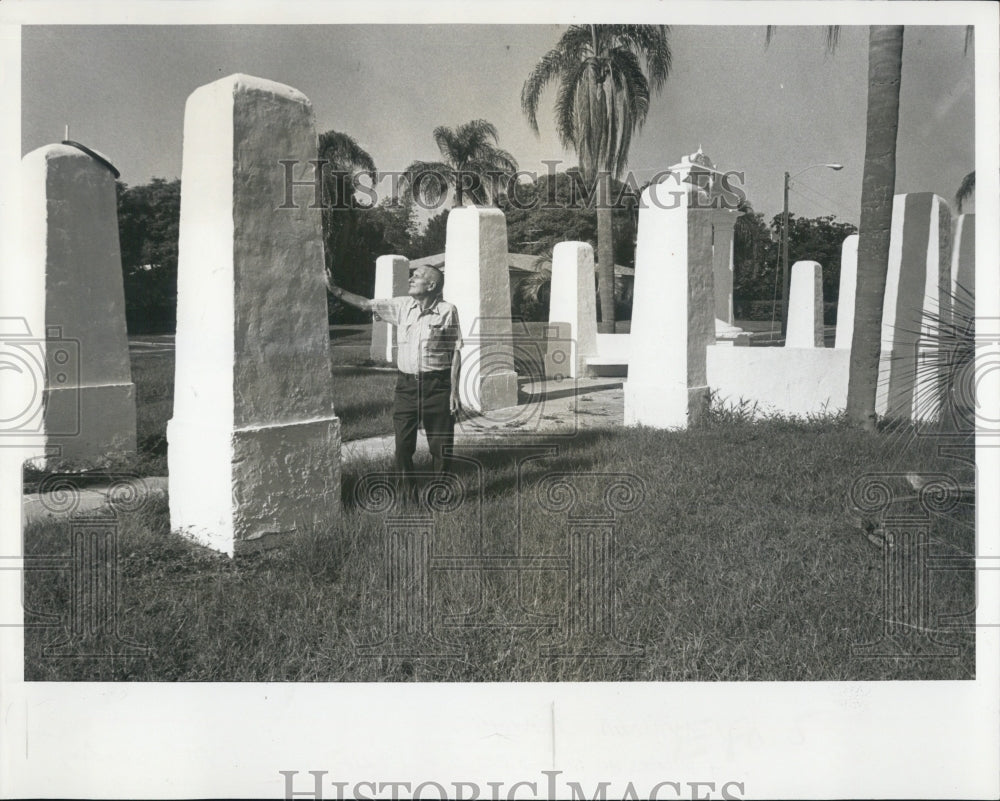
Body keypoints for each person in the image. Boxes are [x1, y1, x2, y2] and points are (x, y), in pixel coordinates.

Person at [327, 265, 462, 499]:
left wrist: (454, 391)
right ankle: (408, 499)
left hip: (437, 386)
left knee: (441, 448)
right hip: (406, 387)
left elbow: (455, 351)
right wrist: (334, 289)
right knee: (402, 446)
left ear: (430, 286)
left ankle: (440, 497)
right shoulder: (401, 306)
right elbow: (365, 304)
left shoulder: (447, 311)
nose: (411, 278)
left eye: (417, 276)